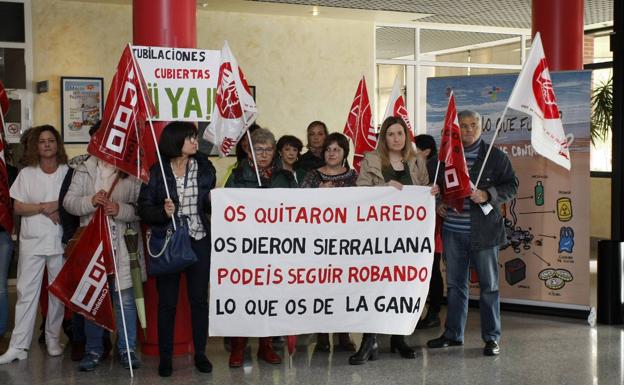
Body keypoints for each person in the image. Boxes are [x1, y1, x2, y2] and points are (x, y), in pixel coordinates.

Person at [426, 110, 517, 356]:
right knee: (455, 286)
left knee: (489, 287)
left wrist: (488, 195)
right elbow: (430, 188)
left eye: (473, 125)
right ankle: (453, 334)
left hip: (484, 234)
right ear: (455, 130)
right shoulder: (442, 159)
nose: (468, 130)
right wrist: (438, 203)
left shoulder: (495, 157)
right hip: (453, 232)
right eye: (463, 126)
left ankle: (491, 338)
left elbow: (512, 185)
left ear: (481, 126)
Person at [138, 121, 216, 377]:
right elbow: (144, 207)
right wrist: (162, 212)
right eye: (190, 138)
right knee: (167, 302)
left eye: (195, 137)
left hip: (199, 239)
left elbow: (209, 202)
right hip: (170, 240)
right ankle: (166, 357)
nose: (196, 142)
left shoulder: (205, 167)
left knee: (198, 300)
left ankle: (201, 353)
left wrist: (213, 202)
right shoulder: (157, 171)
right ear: (175, 142)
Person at [63, 134, 145, 371]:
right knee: (93, 300)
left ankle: (127, 349)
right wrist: (91, 200)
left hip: (122, 247)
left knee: (125, 301)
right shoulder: (83, 168)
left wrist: (119, 208)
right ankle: (94, 350)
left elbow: (141, 208)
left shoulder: (130, 169)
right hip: (92, 247)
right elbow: (69, 203)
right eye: (99, 140)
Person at [352, 116, 430, 365]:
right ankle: (369, 339)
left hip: (408, 236)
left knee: (402, 285)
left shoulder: (417, 160)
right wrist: (384, 187)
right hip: (377, 234)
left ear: (406, 136)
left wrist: (431, 193)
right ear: (383, 137)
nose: (396, 138)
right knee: (374, 284)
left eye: (400, 133)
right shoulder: (371, 160)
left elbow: (424, 191)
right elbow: (360, 191)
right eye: (391, 134)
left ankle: (400, 337)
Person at [225, 128, 297, 368]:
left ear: (275, 151)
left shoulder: (284, 176)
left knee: (268, 297)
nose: (264, 154)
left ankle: (266, 345)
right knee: (243, 296)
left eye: (268, 149)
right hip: (244, 247)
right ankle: (238, 347)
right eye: (259, 149)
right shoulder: (236, 175)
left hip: (274, 247)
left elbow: (296, 210)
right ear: (249, 150)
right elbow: (226, 209)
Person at [0, 125, 69, 364]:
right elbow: (17, 207)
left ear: (57, 145)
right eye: (42, 141)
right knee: (25, 294)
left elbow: (71, 203)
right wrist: (45, 207)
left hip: (59, 241)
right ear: (35, 146)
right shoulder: (27, 174)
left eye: (51, 140)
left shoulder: (66, 171)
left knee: (58, 295)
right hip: (32, 242)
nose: (47, 144)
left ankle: (52, 339)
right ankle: (18, 346)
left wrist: (57, 206)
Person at [300, 132, 357, 352]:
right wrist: (317, 194)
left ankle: (344, 334)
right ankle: (322, 334)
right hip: (318, 244)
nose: (331, 153)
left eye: (336, 149)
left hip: (345, 244)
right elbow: (297, 206)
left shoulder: (353, 176)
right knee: (321, 288)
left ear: (344, 153)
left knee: (344, 288)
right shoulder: (312, 176)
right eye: (328, 149)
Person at [414, 134, 443, 329]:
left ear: (426, 151)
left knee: (432, 270)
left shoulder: (434, 168)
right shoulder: (415, 166)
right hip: (421, 228)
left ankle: (433, 313)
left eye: (414, 149)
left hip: (432, 228)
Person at [0, 159, 17, 339]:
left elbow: (15, 203)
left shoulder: (8, 171)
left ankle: (0, 331)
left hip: (2, 233)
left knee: (1, 286)